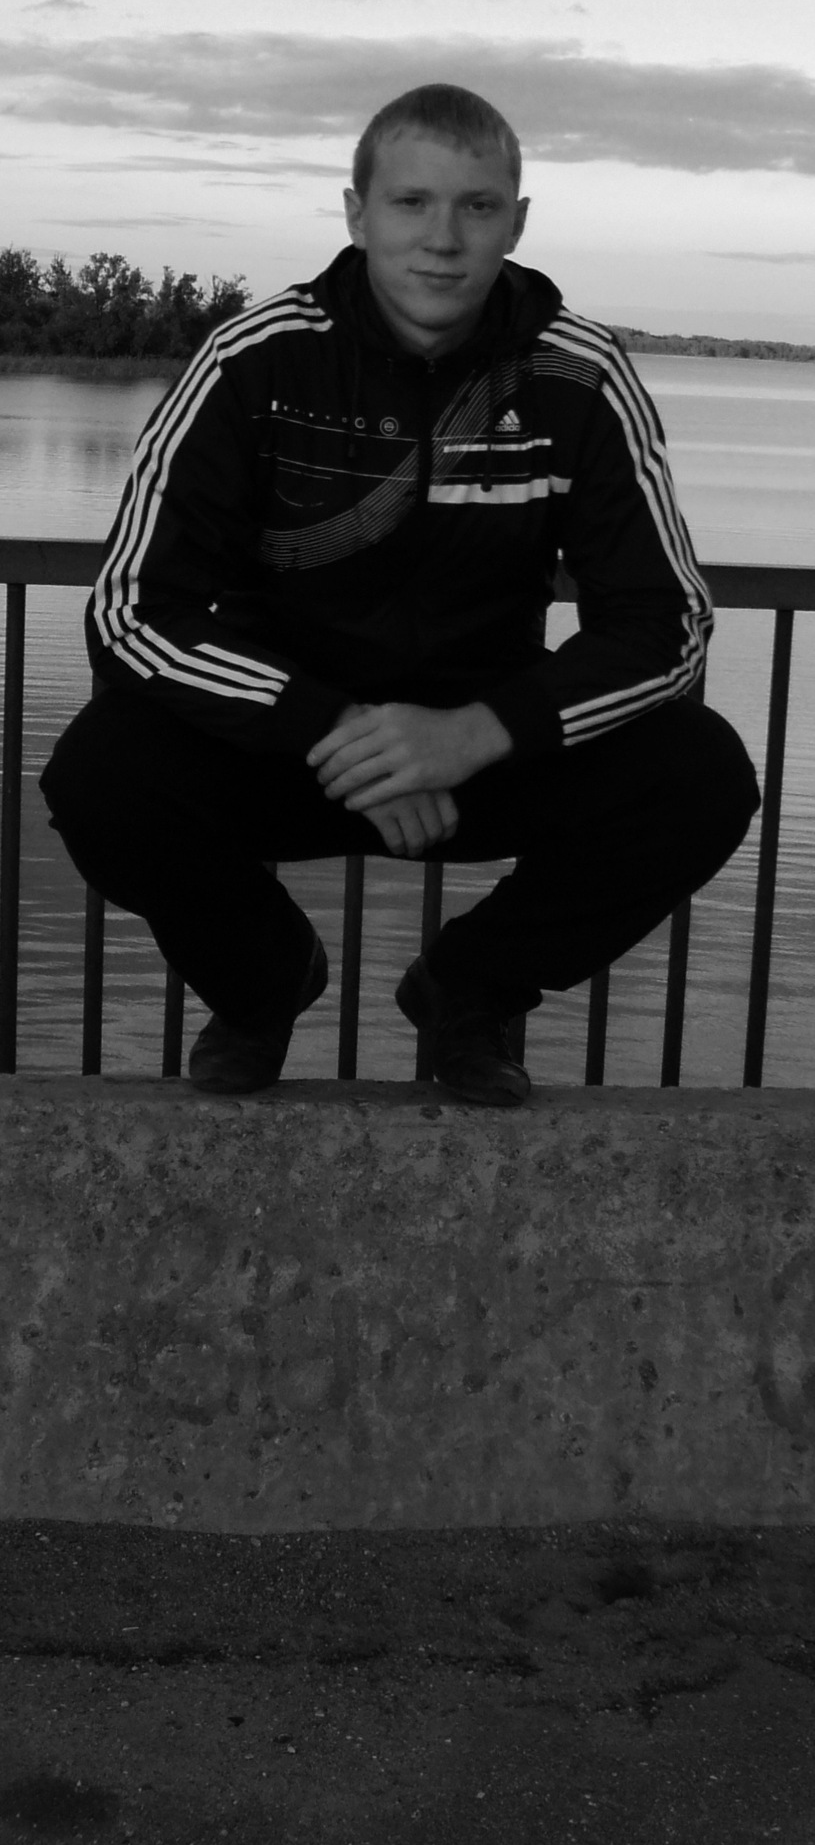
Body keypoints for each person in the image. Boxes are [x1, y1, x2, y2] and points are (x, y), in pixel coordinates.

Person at [40, 82, 759, 1106]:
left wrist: (474, 733)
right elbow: (131, 613)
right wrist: (333, 726)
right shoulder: (252, 359)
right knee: (99, 772)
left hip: (479, 755)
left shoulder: (578, 372)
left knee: (700, 775)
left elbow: (666, 625)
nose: (442, 239)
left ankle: (470, 989)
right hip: (284, 745)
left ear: (516, 221)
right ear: (356, 213)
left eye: (476, 206)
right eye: (411, 202)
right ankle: (261, 984)